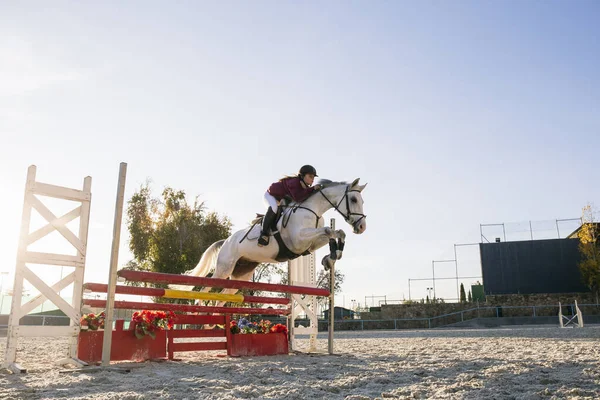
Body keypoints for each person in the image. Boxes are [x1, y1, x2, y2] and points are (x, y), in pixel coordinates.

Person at [258, 165, 322, 246]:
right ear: (302, 176)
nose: (312, 179)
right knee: (274, 208)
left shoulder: (304, 186)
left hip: (282, 200)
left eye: (313, 177)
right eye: (310, 176)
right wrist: (313, 189)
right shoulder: (294, 182)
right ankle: (263, 234)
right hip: (270, 195)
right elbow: (298, 198)